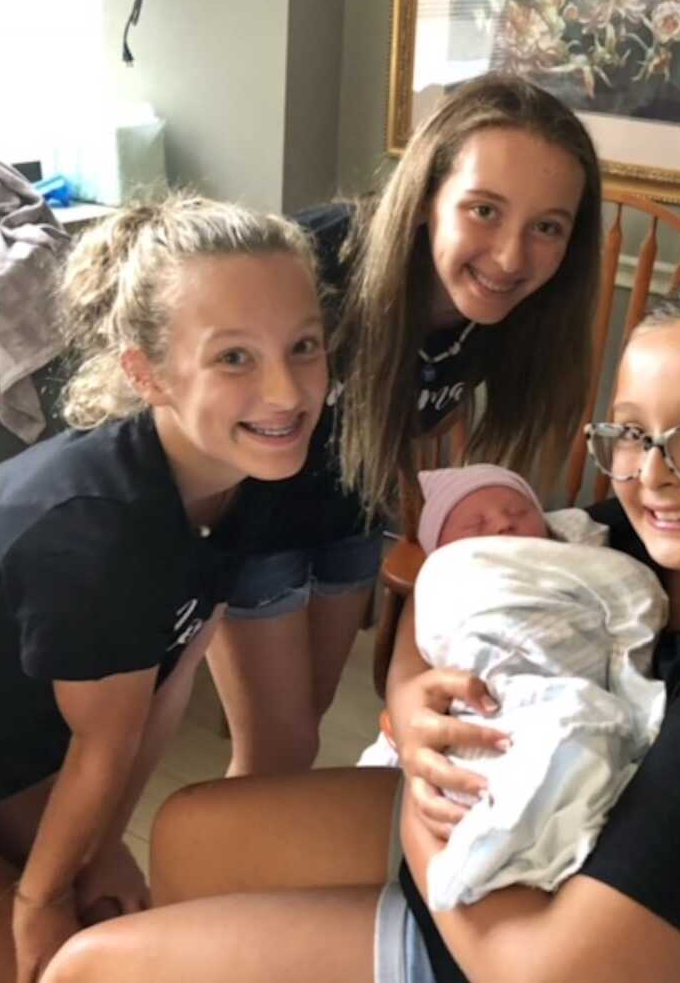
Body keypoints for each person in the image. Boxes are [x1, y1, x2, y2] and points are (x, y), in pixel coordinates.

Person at [41, 272, 680, 983]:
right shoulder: (647, 546)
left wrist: (423, 828)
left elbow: (555, 971)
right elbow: (463, 576)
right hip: (498, 828)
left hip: (514, 938)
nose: (651, 473)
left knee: (90, 966)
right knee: (188, 828)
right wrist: (410, 701)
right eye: (631, 431)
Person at [206, 72, 603, 776]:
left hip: (350, 514)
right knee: (276, 749)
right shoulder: (313, 263)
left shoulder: (510, 310)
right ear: (425, 200)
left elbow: (423, 412)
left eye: (547, 227)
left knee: (310, 722)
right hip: (250, 522)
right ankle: (231, 881)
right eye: (484, 209)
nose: (511, 256)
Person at [0, 195, 329, 983]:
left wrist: (101, 852)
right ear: (147, 373)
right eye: (235, 357)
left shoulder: (253, 474)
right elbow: (102, 741)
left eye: (304, 345)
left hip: (21, 743)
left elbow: (167, 682)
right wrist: (39, 901)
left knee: (107, 922)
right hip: (23, 746)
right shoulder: (93, 532)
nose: (286, 392)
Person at [361, 463, 666, 913]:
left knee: (571, 736)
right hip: (471, 706)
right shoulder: (454, 571)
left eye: (517, 511)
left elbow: (630, 597)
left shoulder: (586, 553)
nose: (503, 524)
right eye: (475, 524)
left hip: (562, 687)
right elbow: (435, 604)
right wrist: (407, 696)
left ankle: (494, 846)